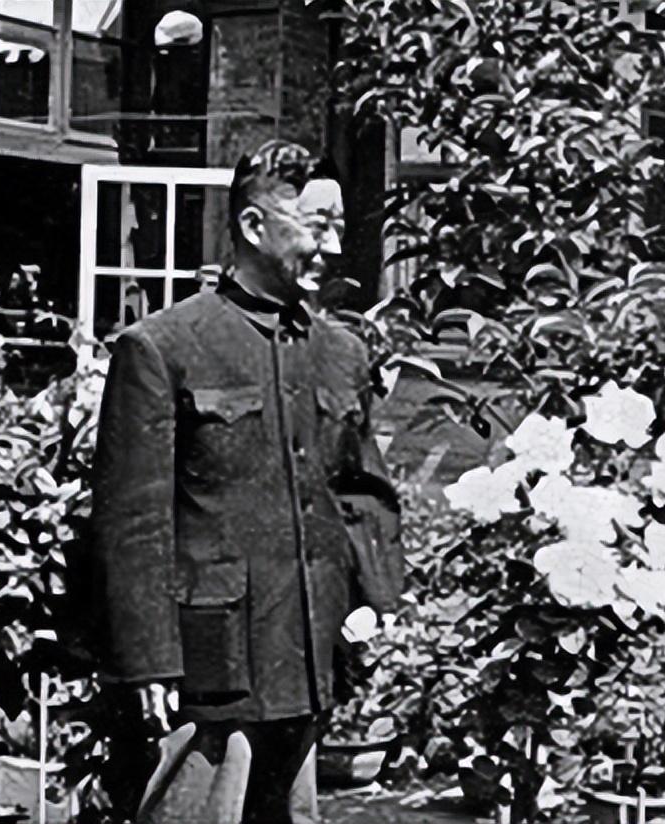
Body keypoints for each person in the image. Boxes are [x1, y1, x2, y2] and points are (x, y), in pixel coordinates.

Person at [85, 139, 403, 823]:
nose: (333, 246)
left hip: (307, 651)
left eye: (339, 226)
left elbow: (363, 491)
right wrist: (149, 660)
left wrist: (373, 603)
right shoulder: (164, 347)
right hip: (208, 668)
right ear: (255, 225)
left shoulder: (341, 354)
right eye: (317, 225)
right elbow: (132, 521)